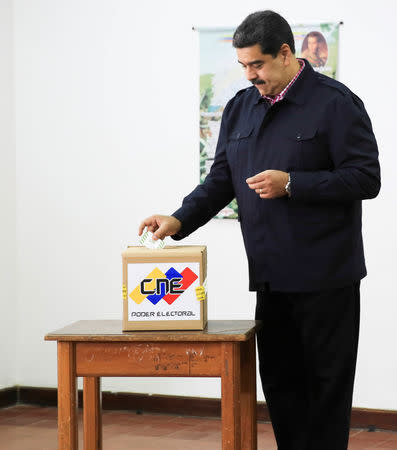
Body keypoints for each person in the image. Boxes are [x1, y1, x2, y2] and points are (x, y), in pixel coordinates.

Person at [138, 10, 380, 450]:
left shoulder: (335, 103)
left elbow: (367, 178)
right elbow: (220, 181)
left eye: (258, 65)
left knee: (325, 392)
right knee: (283, 392)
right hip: (271, 276)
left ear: (286, 54)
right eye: (244, 66)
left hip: (327, 278)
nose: (250, 75)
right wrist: (178, 220)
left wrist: (294, 183)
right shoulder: (239, 108)